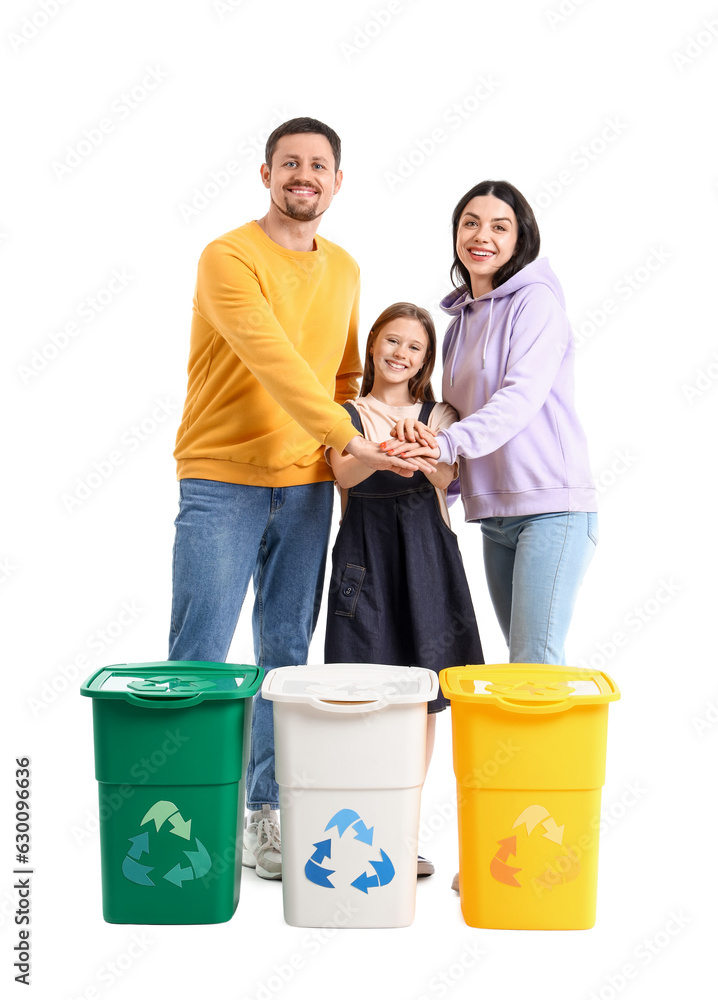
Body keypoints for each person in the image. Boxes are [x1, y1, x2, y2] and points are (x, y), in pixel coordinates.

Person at [168, 117, 418, 881]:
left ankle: (263, 816)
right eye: (290, 164)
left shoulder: (343, 268)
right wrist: (351, 437)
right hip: (221, 478)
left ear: (338, 182)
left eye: (318, 165)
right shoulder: (228, 257)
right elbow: (272, 359)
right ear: (267, 175)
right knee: (202, 658)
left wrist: (358, 448)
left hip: (306, 487)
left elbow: (342, 380)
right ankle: (188, 825)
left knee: (284, 658)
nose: (303, 176)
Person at [393, 180, 597, 669]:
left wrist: (443, 444)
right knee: (521, 668)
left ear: (519, 239)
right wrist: (430, 462)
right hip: (494, 516)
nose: (482, 236)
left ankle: (562, 751)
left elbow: (518, 400)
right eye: (470, 223)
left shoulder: (537, 303)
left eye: (499, 227)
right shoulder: (459, 324)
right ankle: (534, 750)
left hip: (552, 508)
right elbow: (461, 419)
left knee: (535, 664)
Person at [324, 301, 485, 877]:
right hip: (363, 566)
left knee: (422, 701)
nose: (400, 354)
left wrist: (424, 447)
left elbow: (448, 477)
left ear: (426, 359)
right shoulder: (345, 411)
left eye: (414, 347)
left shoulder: (439, 412)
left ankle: (404, 834)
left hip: (427, 564)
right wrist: (383, 448)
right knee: (360, 697)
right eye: (392, 341)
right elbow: (342, 473)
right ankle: (360, 840)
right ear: (372, 346)